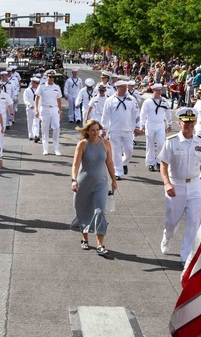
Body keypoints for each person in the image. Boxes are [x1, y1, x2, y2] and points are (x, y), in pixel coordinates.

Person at [158, 107, 201, 265]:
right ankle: (167, 237)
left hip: (195, 185)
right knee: (172, 221)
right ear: (179, 123)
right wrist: (167, 183)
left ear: (195, 122)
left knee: (194, 222)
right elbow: (163, 164)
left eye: (191, 122)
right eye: (185, 122)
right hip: (176, 185)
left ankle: (186, 256)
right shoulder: (171, 142)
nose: (189, 125)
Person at [70, 119, 118, 256]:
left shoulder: (105, 143)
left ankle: (100, 244)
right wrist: (74, 180)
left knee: (100, 211)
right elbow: (75, 164)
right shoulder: (82, 145)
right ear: (87, 132)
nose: (96, 132)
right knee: (83, 210)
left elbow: (109, 163)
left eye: (98, 130)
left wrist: (114, 180)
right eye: (93, 130)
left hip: (101, 183)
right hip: (83, 184)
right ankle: (84, 239)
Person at [100, 80, 140, 179]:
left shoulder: (131, 99)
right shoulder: (110, 100)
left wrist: (137, 126)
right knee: (116, 152)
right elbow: (105, 116)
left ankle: (124, 163)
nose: (125, 89)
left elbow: (136, 114)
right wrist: (103, 129)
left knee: (129, 150)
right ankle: (118, 172)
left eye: (126, 87)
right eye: (122, 87)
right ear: (117, 88)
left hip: (128, 129)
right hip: (114, 129)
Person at [138, 83, 172, 172]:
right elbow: (143, 114)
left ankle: (159, 161)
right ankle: (150, 163)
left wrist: (169, 123)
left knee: (161, 143)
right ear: (153, 91)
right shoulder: (147, 102)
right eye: (157, 90)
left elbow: (168, 112)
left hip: (160, 124)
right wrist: (141, 125)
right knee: (150, 144)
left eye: (160, 90)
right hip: (150, 124)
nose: (159, 92)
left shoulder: (164, 101)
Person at [35, 69, 64, 156]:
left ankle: (56, 148)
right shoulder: (42, 86)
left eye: (53, 77)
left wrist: (60, 110)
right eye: (50, 77)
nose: (51, 78)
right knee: (45, 129)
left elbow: (59, 99)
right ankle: (45, 148)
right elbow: (37, 98)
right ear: (47, 77)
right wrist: (36, 109)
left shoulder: (57, 87)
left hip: (54, 109)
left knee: (56, 127)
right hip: (44, 109)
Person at [24, 75, 41, 142]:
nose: (36, 84)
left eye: (37, 83)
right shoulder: (27, 90)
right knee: (30, 122)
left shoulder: (39, 90)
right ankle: (30, 135)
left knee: (36, 122)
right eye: (34, 83)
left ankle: (36, 135)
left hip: (37, 108)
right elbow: (25, 99)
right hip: (30, 108)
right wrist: (29, 105)